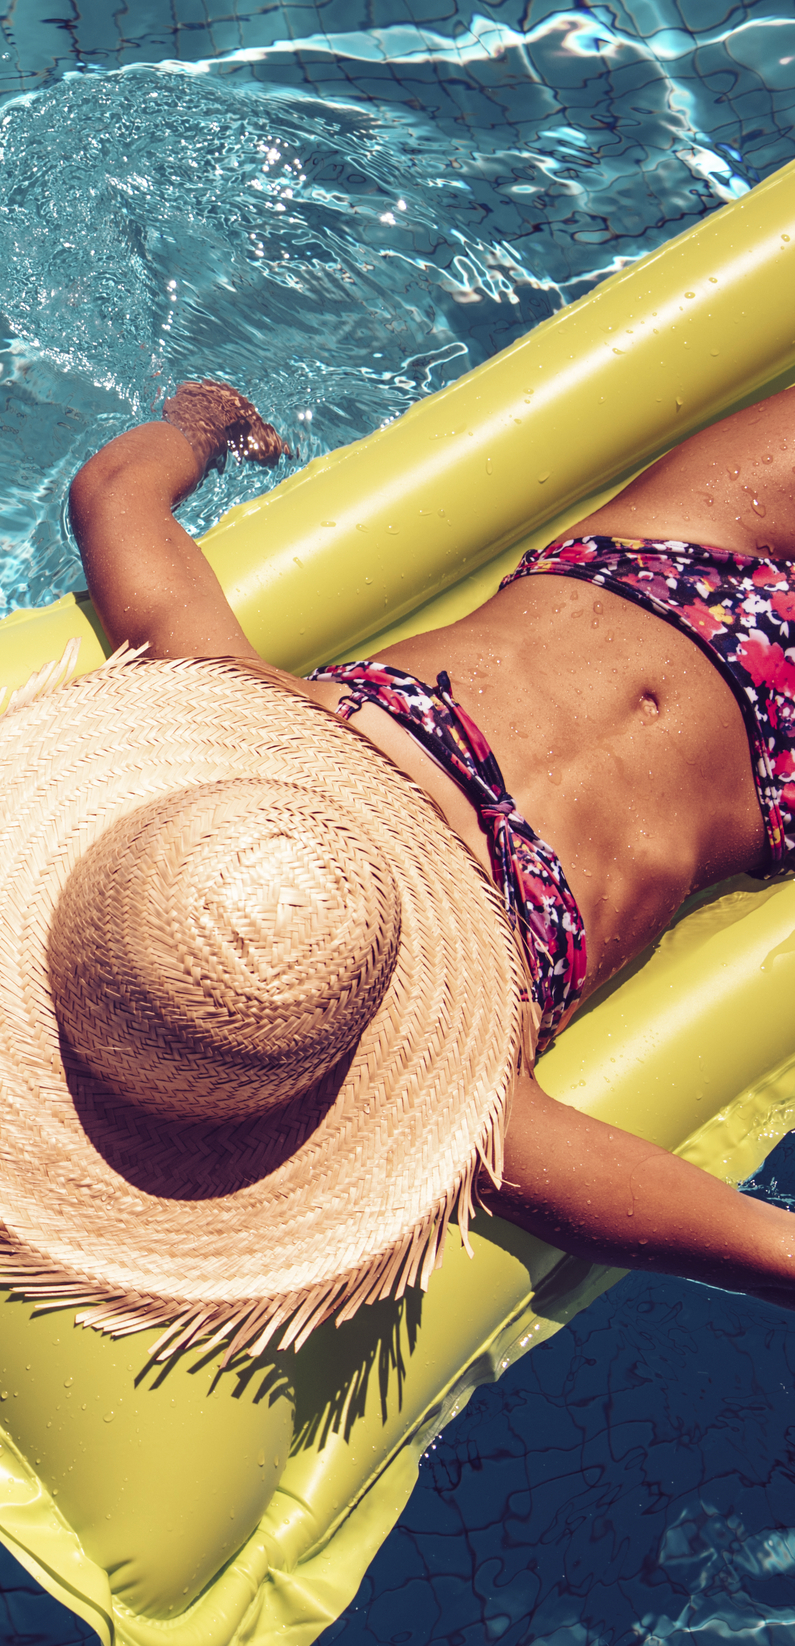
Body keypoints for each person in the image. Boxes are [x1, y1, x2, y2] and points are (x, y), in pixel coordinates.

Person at [66, 378, 795, 1308]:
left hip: (683, 546)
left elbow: (114, 492)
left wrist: (204, 421)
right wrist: (206, 421)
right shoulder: (453, 1089)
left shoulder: (236, 721)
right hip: (742, 687)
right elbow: (111, 493)